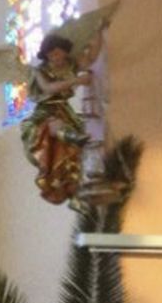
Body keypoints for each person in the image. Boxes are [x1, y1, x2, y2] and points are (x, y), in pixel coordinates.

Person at [21, 30, 102, 204]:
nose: (55, 58)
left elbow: (91, 58)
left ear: (65, 51)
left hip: (65, 110)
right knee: (51, 126)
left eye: (57, 53)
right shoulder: (38, 70)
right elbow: (49, 88)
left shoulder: (71, 64)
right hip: (45, 110)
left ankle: (73, 179)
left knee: (71, 150)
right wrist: (76, 81)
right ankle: (73, 137)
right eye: (50, 55)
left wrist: (99, 31)